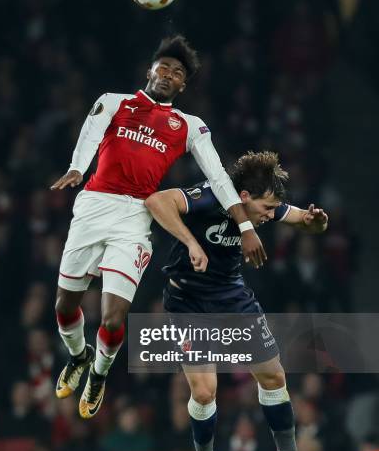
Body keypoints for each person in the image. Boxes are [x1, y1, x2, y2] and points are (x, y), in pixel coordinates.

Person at [50, 35, 266, 419]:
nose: (169, 74)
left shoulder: (188, 126)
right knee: (65, 307)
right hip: (94, 206)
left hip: (135, 217)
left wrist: (245, 223)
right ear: (150, 71)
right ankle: (79, 355)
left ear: (183, 86)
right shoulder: (115, 101)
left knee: (114, 316)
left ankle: (98, 374)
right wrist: (77, 169)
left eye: (178, 72)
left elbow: (218, 177)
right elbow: (90, 134)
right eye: (164, 67)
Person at [145, 151, 328, 451]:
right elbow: (156, 201)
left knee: (274, 376)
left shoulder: (265, 204)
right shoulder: (209, 196)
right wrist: (191, 242)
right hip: (188, 301)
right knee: (204, 390)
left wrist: (314, 221)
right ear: (244, 198)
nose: (270, 214)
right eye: (266, 208)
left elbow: (306, 223)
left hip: (231, 299)